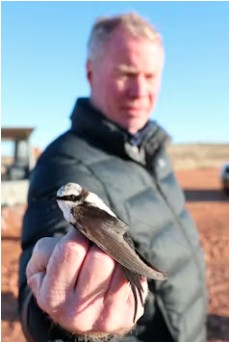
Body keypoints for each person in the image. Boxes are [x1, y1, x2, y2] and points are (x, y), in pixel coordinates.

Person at [19, 12, 208, 342]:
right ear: (91, 73)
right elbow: (43, 280)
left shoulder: (152, 151)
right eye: (125, 73)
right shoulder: (64, 163)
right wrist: (68, 322)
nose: (140, 90)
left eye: (150, 75)